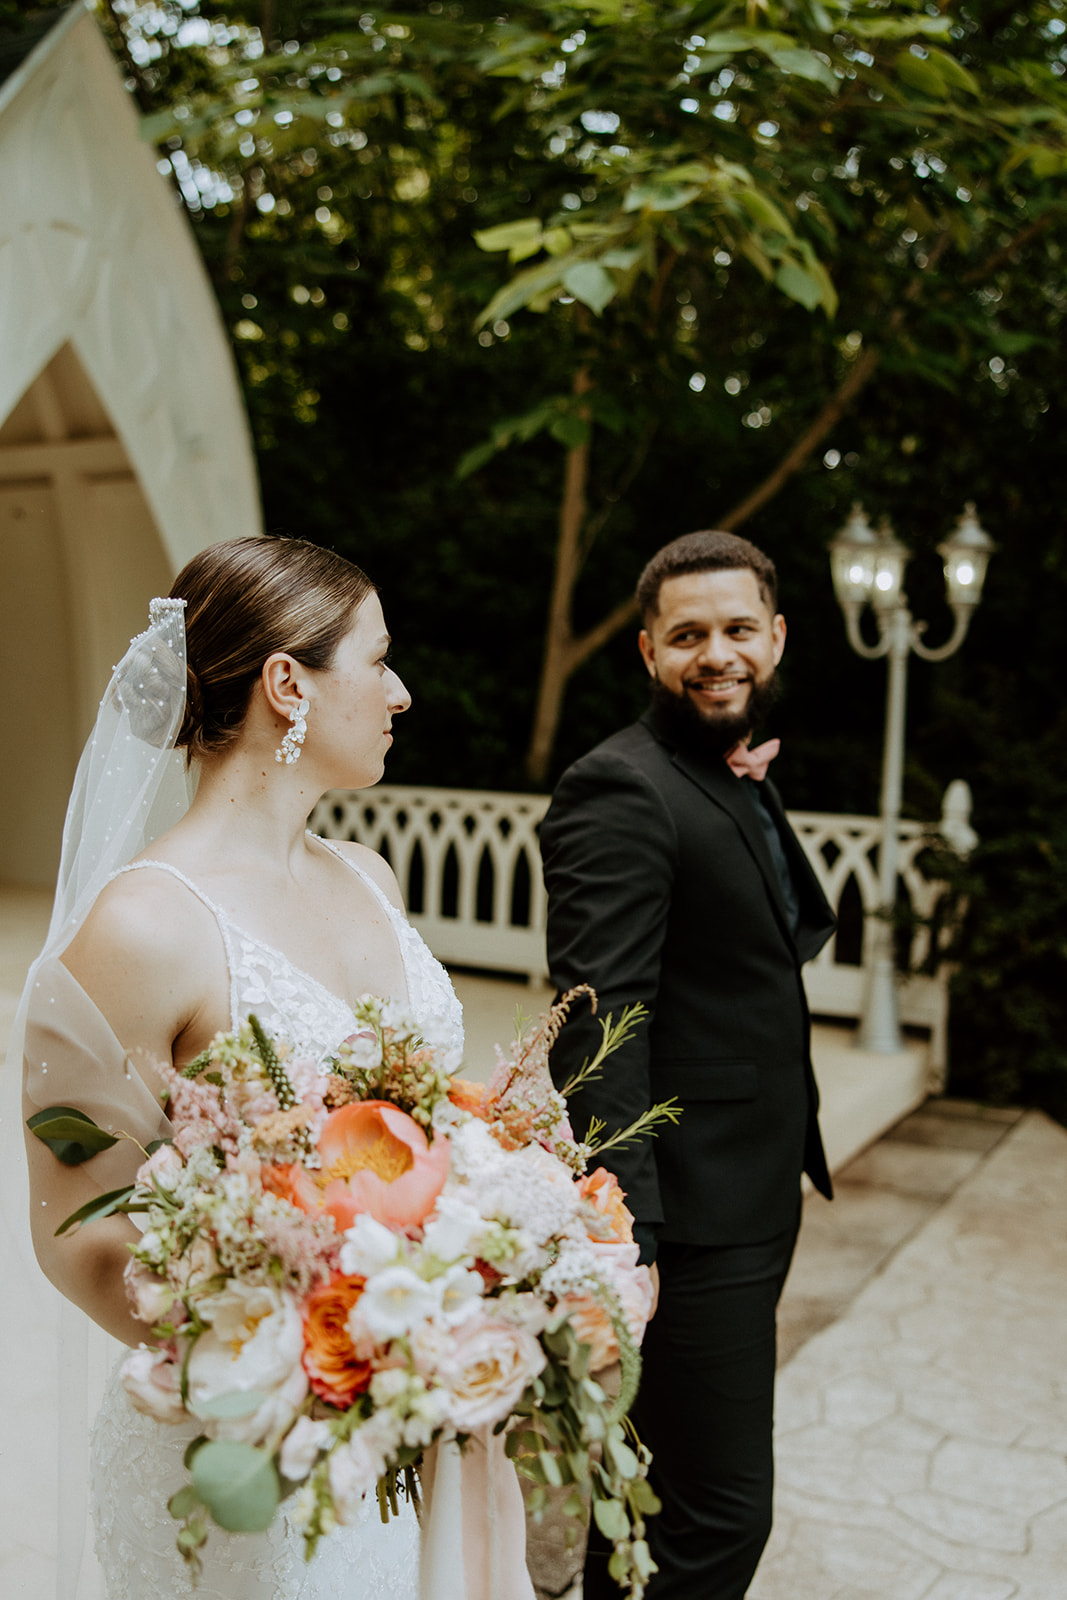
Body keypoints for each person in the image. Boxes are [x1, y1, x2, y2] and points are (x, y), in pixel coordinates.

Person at [8, 536, 531, 1600]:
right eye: (377, 661)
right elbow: (78, 1233)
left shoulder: (371, 876)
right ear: (286, 683)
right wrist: (305, 1363)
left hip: (417, 1431)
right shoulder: (145, 924)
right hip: (247, 1457)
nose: (402, 691)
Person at [541, 529, 836, 1599]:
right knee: (717, 1514)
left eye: (737, 629)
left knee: (652, 1495)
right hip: (690, 1209)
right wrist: (631, 1233)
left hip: (754, 1184)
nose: (716, 653)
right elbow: (598, 1018)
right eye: (688, 635)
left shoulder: (729, 762)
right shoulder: (617, 787)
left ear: (776, 635)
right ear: (646, 650)